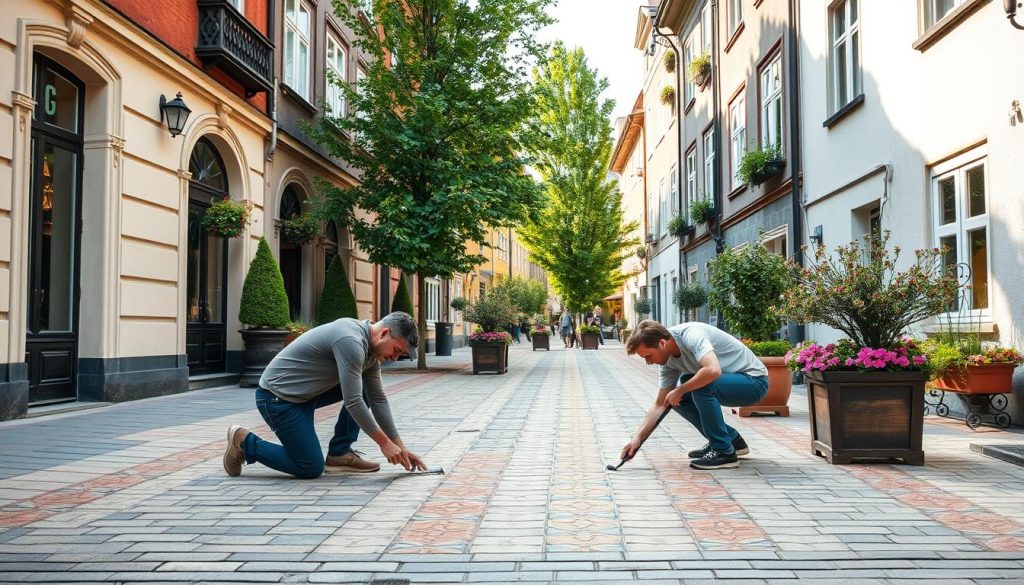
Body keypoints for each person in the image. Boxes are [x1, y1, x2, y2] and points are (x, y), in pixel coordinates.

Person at [223, 312, 428, 479]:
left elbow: (378, 398)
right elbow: (353, 402)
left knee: (366, 389)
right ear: (384, 333)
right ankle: (243, 441)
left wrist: (400, 449)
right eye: (396, 350)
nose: (394, 358)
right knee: (310, 467)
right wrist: (384, 444)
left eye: (399, 355)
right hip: (277, 398)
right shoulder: (350, 340)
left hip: (306, 396)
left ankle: (339, 453)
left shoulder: (371, 354)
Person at [620, 320, 768, 470]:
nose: (648, 362)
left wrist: (680, 390)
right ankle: (732, 441)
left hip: (754, 382)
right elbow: (660, 405)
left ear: (662, 343)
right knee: (674, 398)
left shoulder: (692, 335)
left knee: (698, 386)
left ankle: (723, 452)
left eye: (648, 356)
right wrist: (637, 439)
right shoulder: (667, 363)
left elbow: (713, 370)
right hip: (729, 383)